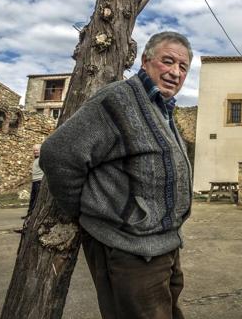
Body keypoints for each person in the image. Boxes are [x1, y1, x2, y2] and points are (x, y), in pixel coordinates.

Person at [40, 32, 193, 319]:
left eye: (183, 67)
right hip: (130, 252)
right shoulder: (118, 99)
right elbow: (57, 154)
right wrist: (87, 209)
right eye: (168, 61)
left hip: (165, 247)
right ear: (146, 61)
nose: (175, 72)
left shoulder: (162, 110)